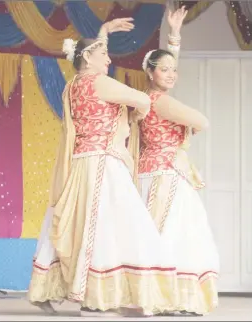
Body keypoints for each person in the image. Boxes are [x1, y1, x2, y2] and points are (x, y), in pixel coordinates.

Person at [27, 18, 180, 318]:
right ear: (88, 58)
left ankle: (45, 289)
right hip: (103, 165)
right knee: (112, 225)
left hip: (80, 163)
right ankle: (96, 298)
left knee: (72, 223)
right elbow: (139, 98)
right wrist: (138, 110)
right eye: (104, 55)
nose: (109, 59)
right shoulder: (101, 82)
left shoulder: (72, 86)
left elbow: (91, 55)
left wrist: (103, 34)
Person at [129, 7, 220, 316]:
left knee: (159, 232)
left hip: (152, 171)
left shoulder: (147, 98)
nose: (171, 73)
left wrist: (175, 34)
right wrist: (190, 123)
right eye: (164, 69)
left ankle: (158, 295)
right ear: (151, 73)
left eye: (173, 69)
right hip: (166, 175)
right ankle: (172, 297)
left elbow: (165, 68)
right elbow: (203, 121)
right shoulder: (163, 102)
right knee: (176, 233)